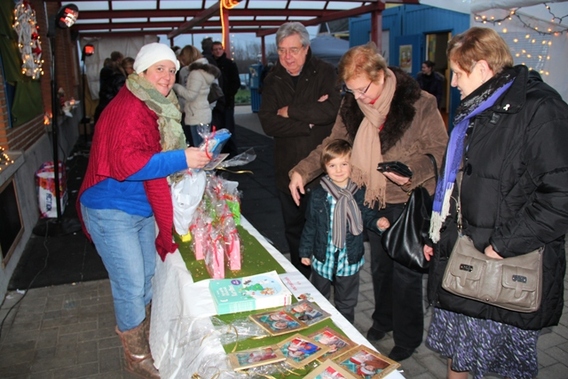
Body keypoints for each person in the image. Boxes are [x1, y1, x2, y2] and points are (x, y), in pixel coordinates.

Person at [423, 27, 568, 379]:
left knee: (502, 367)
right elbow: (461, 180)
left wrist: (502, 245)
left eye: (458, 72)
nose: (453, 82)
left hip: (506, 268)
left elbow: (561, 195)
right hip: (466, 261)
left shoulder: (540, 109)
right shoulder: (479, 107)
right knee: (459, 356)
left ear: (484, 68)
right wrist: (438, 235)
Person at [289, 42, 447, 361]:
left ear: (380, 74)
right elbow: (332, 146)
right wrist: (302, 172)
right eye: (351, 90)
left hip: (407, 199)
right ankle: (383, 320)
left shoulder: (419, 102)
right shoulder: (351, 106)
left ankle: (407, 336)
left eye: (362, 90)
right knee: (380, 268)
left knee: (406, 273)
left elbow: (440, 151)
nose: (358, 98)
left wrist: (410, 172)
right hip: (369, 197)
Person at [77, 42, 211, 378]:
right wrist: (182, 158)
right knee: (131, 284)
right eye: (159, 69)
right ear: (142, 72)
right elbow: (126, 164)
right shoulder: (130, 107)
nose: (167, 76)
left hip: (139, 206)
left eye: (171, 69)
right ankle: (137, 359)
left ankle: (144, 340)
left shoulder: (155, 104)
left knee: (148, 279)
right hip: (110, 207)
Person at [259, 21, 341, 279]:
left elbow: (332, 111)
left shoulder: (326, 72)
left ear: (306, 48)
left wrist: (291, 111)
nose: (287, 57)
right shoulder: (273, 79)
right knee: (294, 230)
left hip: (321, 171)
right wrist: (308, 122)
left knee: (322, 229)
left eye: (293, 50)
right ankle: (301, 281)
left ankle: (324, 281)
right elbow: (268, 122)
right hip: (287, 168)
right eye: (282, 50)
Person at [299, 139, 390, 324]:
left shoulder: (359, 192)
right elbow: (311, 225)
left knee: (346, 301)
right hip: (323, 256)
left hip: (348, 258)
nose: (338, 170)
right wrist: (305, 251)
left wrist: (378, 222)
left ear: (352, 166)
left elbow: (368, 214)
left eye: (344, 164)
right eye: (332, 165)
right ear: (325, 167)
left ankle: (346, 328)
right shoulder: (318, 194)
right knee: (318, 296)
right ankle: (315, 326)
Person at [173, 45, 221, 146]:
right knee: (203, 146)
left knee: (199, 148)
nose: (182, 63)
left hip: (196, 114)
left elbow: (190, 95)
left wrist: (176, 86)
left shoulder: (195, 73)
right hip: (202, 113)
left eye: (183, 60)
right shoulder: (204, 71)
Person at [211, 41, 241, 157]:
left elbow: (235, 82)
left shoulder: (230, 64)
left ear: (223, 50)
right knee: (217, 130)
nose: (218, 51)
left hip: (227, 102)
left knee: (229, 129)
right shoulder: (212, 65)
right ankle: (220, 153)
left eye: (219, 49)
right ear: (212, 51)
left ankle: (232, 153)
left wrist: (228, 96)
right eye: (215, 49)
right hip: (216, 103)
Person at [93, 51, 126, 125]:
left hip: (103, 106)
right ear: (119, 59)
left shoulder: (105, 70)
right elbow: (121, 95)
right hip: (111, 109)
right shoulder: (117, 75)